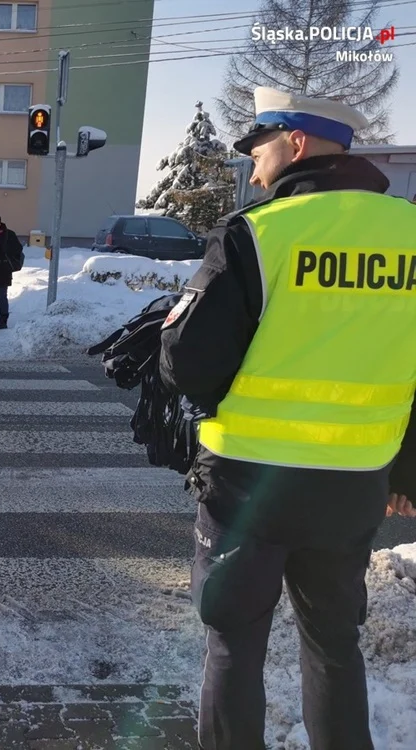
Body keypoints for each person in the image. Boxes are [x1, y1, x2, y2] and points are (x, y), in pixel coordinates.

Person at [159, 86, 416, 750]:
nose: (252, 160)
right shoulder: (411, 234)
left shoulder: (258, 232)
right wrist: (406, 471)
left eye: (258, 145)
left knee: (232, 646)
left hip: (248, 483)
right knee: (334, 645)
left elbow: (185, 362)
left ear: (295, 143)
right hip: (354, 484)